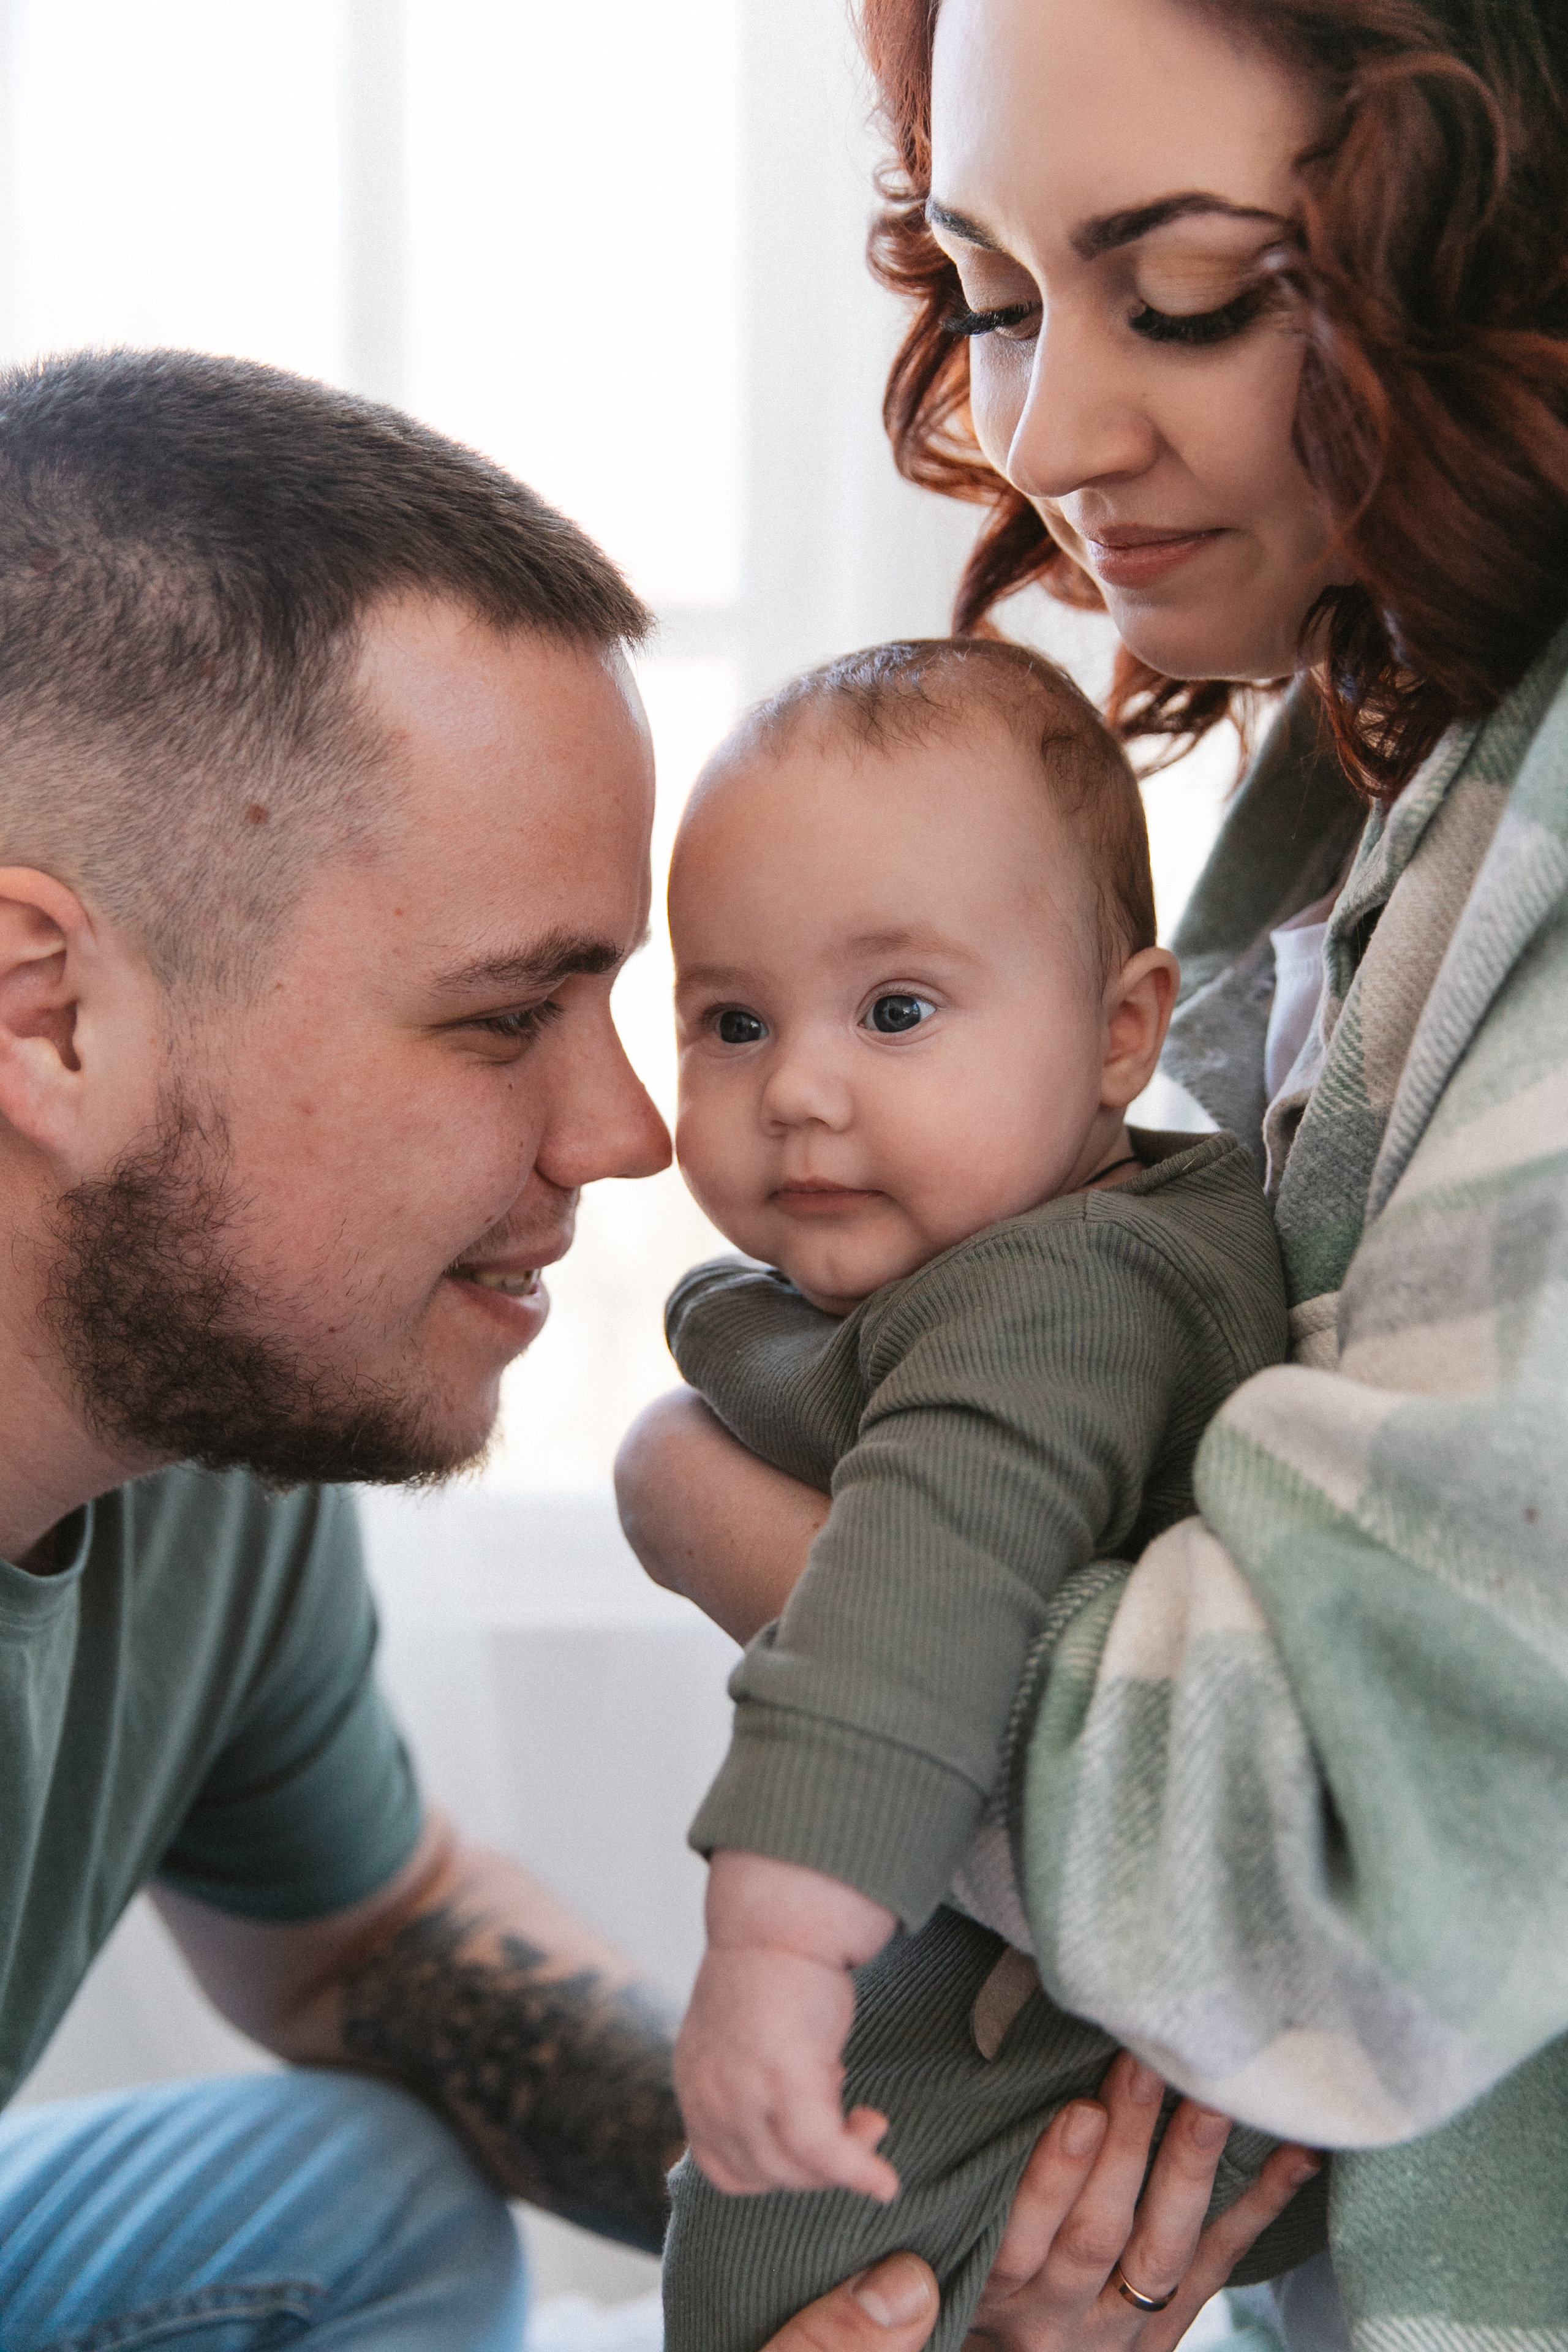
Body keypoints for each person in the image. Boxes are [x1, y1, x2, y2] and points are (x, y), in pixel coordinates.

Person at [0, 346, 1306, 2351]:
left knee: (347, 2195)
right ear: (47, 1017)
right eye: (499, 1016)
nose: (626, 1138)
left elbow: (374, 1948)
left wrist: (873, 2240)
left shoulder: (200, 1454)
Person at [613, 1, 1568, 2344]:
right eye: (1003, 294)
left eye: (1195, 290)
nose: (1040, 432)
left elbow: (1365, 1865)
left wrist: (718, 1519)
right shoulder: (1373, 821)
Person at [615, 635, 1314, 2350]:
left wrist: (774, 1944)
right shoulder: (1010, 1248)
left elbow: (912, 1597)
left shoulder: (1053, 1297)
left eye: (899, 1011)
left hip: (1080, 2052)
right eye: (732, 1019)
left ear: (1121, 1032)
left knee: (777, 2259)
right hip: (1065, 2007)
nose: (801, 1088)